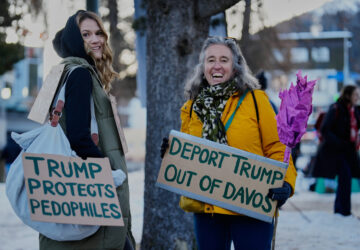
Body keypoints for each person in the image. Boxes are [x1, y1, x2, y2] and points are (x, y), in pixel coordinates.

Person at [161, 37, 297, 250]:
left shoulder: (255, 100)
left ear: (235, 68)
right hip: (208, 209)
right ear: (203, 67)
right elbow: (191, 155)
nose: (216, 65)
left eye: (224, 60)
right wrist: (173, 153)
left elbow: (277, 146)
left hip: (251, 204)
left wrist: (286, 183)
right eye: (210, 60)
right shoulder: (193, 105)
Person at [39, 10, 135, 249]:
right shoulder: (80, 74)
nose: (96, 39)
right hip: (93, 188)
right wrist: (109, 172)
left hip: (70, 188)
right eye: (86, 34)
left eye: (99, 33)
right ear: (74, 40)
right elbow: (79, 137)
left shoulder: (62, 72)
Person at [312, 85, 360, 216]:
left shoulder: (355, 110)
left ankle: (341, 209)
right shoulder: (336, 108)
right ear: (348, 95)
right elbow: (325, 129)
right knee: (346, 176)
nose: (358, 97)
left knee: (346, 178)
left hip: (349, 151)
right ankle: (343, 210)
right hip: (336, 150)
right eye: (355, 95)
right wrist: (339, 142)